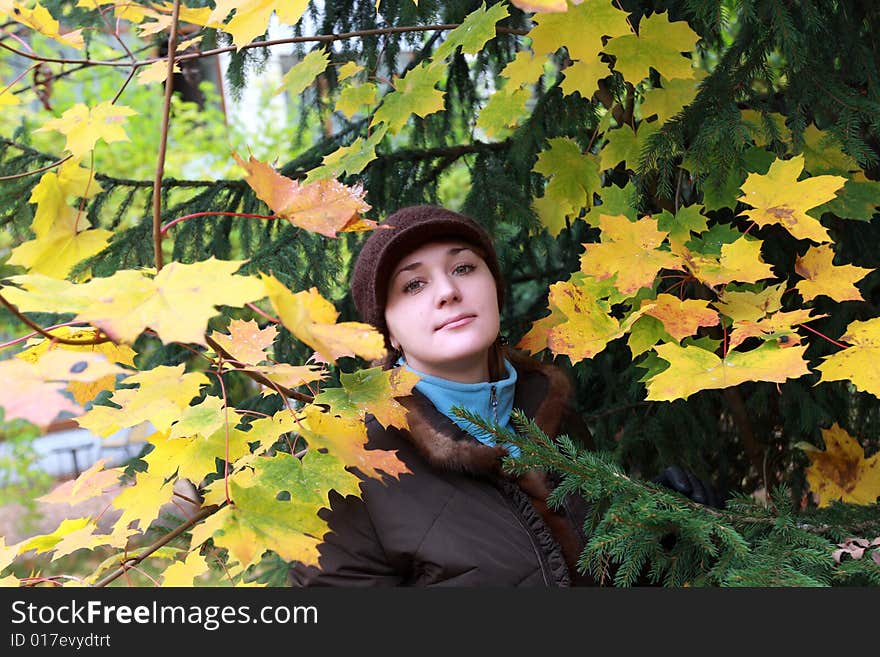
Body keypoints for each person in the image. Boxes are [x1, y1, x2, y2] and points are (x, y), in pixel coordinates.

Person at [289, 205, 717, 587]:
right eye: (414, 285)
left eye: (463, 268)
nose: (447, 291)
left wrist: (657, 533)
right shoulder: (355, 460)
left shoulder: (551, 412)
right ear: (390, 333)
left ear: (493, 288)